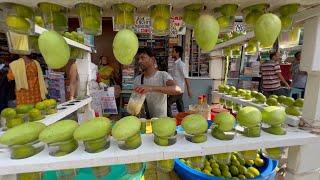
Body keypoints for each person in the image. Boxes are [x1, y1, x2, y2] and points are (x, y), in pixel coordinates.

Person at [133, 48, 182, 118]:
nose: (139, 61)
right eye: (138, 59)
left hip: (161, 121)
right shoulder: (137, 80)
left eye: (143, 58)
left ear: (152, 60)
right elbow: (136, 103)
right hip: (145, 121)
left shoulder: (163, 75)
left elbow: (177, 89)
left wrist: (150, 88)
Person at [167, 46, 192, 117]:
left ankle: (170, 119)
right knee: (180, 105)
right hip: (176, 88)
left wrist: (189, 89)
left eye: (173, 52)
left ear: (177, 53)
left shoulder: (181, 64)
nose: (171, 53)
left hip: (178, 89)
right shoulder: (175, 64)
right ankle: (184, 118)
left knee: (167, 103)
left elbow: (186, 77)